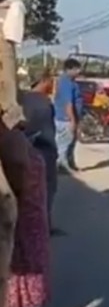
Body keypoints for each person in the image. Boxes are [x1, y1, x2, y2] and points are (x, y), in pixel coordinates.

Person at [0, 119, 50, 307]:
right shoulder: (10, 136)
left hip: (21, 208)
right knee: (14, 265)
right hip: (19, 211)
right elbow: (18, 167)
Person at [21, 71, 60, 235]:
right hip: (44, 149)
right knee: (48, 188)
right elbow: (48, 130)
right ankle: (44, 225)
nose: (53, 85)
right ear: (43, 81)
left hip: (27, 147)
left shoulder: (23, 99)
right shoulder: (44, 103)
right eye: (51, 81)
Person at [53, 58, 83, 172]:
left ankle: (70, 164)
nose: (79, 71)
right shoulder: (66, 83)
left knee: (70, 143)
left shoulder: (71, 82)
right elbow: (68, 103)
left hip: (69, 117)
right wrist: (72, 120)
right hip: (66, 119)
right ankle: (62, 166)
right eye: (76, 69)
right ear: (69, 69)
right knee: (64, 144)